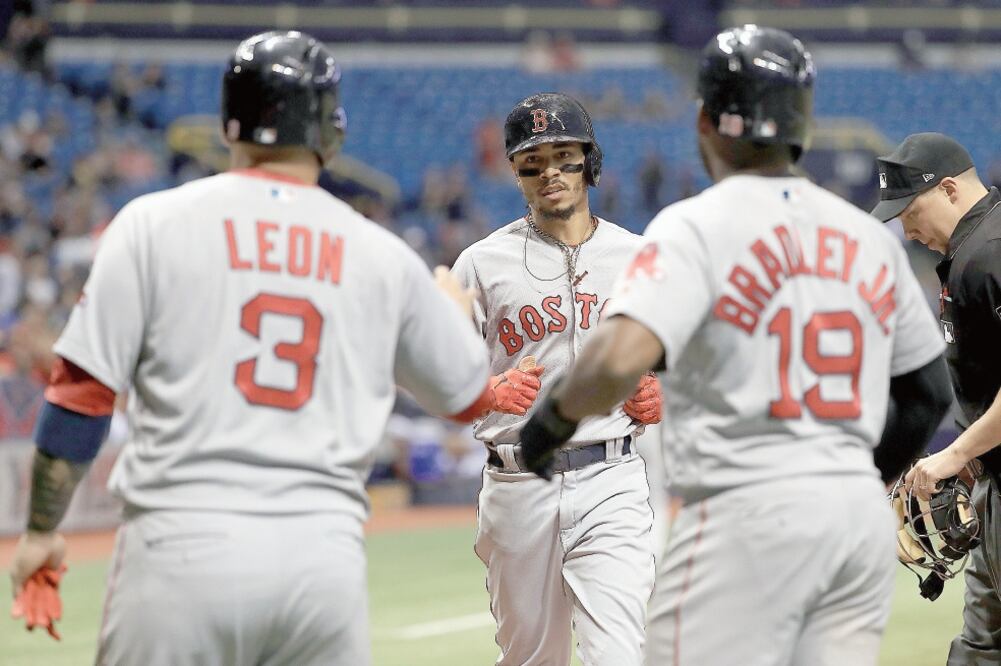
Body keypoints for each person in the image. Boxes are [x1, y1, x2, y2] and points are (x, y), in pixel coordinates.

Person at [7, 30, 491, 665]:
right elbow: (466, 396)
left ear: (227, 123)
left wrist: (41, 531)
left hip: (181, 544)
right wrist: (455, 314)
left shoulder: (152, 224)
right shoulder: (382, 253)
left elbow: (80, 397)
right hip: (322, 559)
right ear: (331, 133)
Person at [517, 26, 954, 666]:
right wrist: (859, 480)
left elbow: (616, 359)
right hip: (854, 521)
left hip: (745, 511)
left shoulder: (697, 225)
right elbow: (928, 393)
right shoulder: (867, 239)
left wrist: (549, 424)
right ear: (803, 122)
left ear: (705, 122)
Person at [450, 92, 661, 665]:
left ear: (589, 163)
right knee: (532, 658)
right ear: (515, 173)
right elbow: (438, 376)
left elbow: (684, 355)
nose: (549, 173)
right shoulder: (481, 263)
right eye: (532, 162)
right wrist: (484, 393)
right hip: (518, 482)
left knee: (619, 653)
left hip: (612, 476)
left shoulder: (637, 256)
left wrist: (663, 389)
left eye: (563, 158)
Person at [873, 132, 1001, 664]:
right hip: (994, 482)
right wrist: (973, 459)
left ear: (949, 189)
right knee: (979, 650)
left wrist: (957, 452)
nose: (906, 229)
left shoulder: (990, 252)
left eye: (910, 212)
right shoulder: (973, 249)